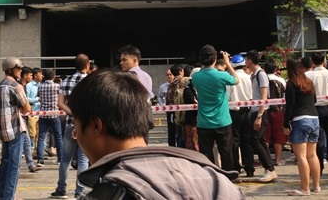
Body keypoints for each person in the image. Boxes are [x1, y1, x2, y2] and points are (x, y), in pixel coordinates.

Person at [68, 69, 245, 200]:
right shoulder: (217, 180)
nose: (76, 135)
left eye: (76, 127)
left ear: (96, 126)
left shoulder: (111, 194)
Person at [190, 45, 239, 172]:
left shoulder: (196, 77)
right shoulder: (221, 75)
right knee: (226, 152)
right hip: (222, 121)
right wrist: (227, 63)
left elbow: (201, 72)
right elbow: (236, 80)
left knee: (206, 153)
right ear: (215, 58)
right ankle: (228, 176)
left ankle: (210, 175)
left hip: (204, 122)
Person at [52, 54, 90, 199]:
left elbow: (60, 103)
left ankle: (61, 189)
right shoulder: (91, 81)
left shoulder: (66, 81)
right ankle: (80, 191)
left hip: (70, 123)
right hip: (86, 125)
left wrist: (73, 113)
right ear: (87, 65)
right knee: (83, 160)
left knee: (65, 159)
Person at [283, 57, 320, 196]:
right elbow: (314, 100)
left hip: (300, 120)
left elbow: (290, 105)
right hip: (314, 118)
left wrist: (286, 123)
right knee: (312, 155)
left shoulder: (292, 83)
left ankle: (305, 188)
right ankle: (316, 185)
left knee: (301, 157)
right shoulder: (308, 81)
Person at [0, 56, 31, 200]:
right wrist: (22, 108)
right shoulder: (15, 86)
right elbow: (27, 107)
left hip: (4, 131)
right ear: (10, 69)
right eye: (18, 68)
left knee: (4, 164)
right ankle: (9, 197)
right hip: (16, 129)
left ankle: (1, 196)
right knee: (14, 166)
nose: (20, 71)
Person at [240, 50, 278, 183]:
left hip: (261, 112)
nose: (245, 62)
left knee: (254, 140)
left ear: (250, 60)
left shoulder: (261, 75)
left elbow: (264, 97)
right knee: (261, 141)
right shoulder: (254, 75)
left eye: (246, 60)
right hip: (255, 111)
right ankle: (270, 169)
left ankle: (270, 169)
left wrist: (259, 116)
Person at [306, 51, 328, 175]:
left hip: (315, 109)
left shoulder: (308, 75)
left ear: (312, 61)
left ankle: (319, 167)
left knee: (319, 139)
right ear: (325, 60)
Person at [226, 53, 252, 174]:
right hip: (248, 110)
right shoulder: (249, 77)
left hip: (234, 111)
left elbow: (227, 96)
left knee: (235, 141)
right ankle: (249, 168)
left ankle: (236, 167)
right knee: (247, 141)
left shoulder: (231, 78)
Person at [36, 68, 63, 166]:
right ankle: (60, 158)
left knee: (41, 137)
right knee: (58, 136)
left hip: (43, 114)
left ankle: (40, 160)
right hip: (54, 113)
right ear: (53, 77)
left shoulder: (40, 86)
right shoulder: (57, 86)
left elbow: (38, 97)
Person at [264, 61, 287, 166]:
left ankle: (266, 160)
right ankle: (277, 160)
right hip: (278, 110)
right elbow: (285, 96)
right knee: (278, 136)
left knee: (265, 136)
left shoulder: (261, 79)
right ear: (275, 69)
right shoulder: (281, 80)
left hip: (264, 109)